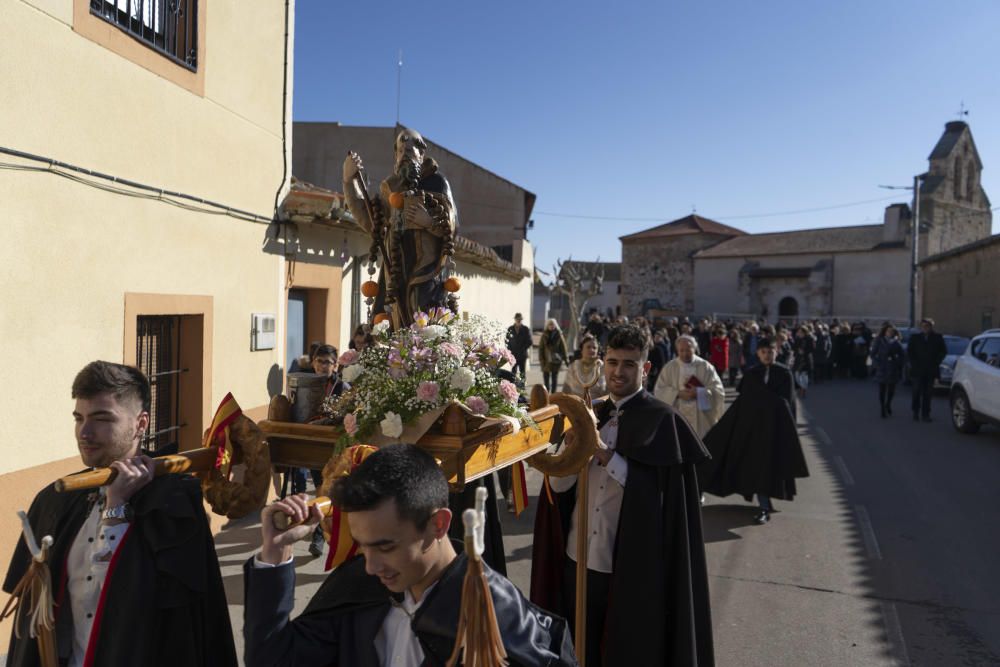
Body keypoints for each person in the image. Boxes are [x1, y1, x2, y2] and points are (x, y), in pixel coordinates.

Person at [243, 444, 577, 667]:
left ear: (438, 525)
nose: (371, 566)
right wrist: (275, 553)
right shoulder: (359, 587)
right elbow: (274, 660)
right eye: (362, 544)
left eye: (386, 546)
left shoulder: (496, 617)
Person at [3, 361, 237, 667]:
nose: (84, 432)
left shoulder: (175, 504)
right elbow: (32, 622)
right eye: (79, 418)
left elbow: (173, 622)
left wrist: (116, 509)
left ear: (140, 424)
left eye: (102, 419)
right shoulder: (56, 499)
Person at [531, 325, 714, 666]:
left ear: (645, 368)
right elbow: (558, 492)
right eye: (612, 361)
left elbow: (660, 498)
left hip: (629, 569)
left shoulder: (664, 422)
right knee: (574, 651)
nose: (618, 371)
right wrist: (569, 453)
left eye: (629, 363)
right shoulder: (587, 413)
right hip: (576, 560)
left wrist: (604, 454)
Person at [700, 337, 809, 525]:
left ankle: (764, 506)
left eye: (771, 352)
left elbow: (786, 403)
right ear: (758, 353)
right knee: (723, 452)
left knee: (766, 468)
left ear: (776, 352)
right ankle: (699, 487)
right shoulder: (752, 374)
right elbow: (746, 401)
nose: (767, 355)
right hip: (751, 429)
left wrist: (787, 426)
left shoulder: (784, 374)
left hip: (774, 429)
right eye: (764, 352)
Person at [653, 334, 726, 439]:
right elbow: (659, 390)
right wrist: (677, 394)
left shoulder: (705, 366)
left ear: (695, 349)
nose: (685, 353)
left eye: (688, 350)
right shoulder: (670, 367)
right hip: (677, 414)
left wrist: (699, 392)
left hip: (701, 418)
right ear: (677, 350)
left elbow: (718, 391)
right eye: (681, 350)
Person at [907, 318, 947, 422]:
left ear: (931, 327)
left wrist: (936, 362)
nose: (925, 328)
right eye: (923, 326)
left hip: (931, 370)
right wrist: (914, 363)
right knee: (916, 391)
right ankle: (915, 411)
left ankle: (926, 414)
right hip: (917, 369)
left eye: (927, 326)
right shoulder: (915, 338)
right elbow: (910, 352)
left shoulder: (937, 337)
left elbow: (943, 351)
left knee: (927, 393)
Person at [870, 324, 904, 418]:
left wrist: (896, 361)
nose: (890, 333)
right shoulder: (879, 341)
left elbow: (902, 355)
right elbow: (873, 354)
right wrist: (877, 363)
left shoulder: (896, 342)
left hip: (893, 369)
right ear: (885, 331)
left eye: (892, 331)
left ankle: (888, 404)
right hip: (882, 368)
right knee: (882, 390)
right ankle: (882, 409)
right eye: (888, 331)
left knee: (891, 390)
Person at [563, 334, 606, 399]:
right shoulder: (573, 366)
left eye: (594, 348)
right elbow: (566, 389)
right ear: (582, 350)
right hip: (576, 405)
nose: (592, 350)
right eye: (588, 347)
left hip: (598, 406)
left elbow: (608, 392)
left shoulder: (602, 367)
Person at [539, 318, 568, 394]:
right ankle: (546, 394)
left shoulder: (559, 334)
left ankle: (553, 395)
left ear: (555, 325)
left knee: (554, 379)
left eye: (553, 325)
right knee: (546, 380)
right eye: (550, 324)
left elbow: (563, 348)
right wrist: (541, 360)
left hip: (556, 361)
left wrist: (566, 359)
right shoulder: (544, 335)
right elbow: (541, 349)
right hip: (546, 361)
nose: (551, 326)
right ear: (547, 325)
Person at [505, 312, 533, 380]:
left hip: (522, 355)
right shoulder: (510, 329)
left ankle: (522, 387)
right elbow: (506, 341)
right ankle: (513, 386)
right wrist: (510, 350)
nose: (518, 320)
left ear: (521, 320)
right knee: (513, 372)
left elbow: (530, 341)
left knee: (522, 372)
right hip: (513, 354)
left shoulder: (525, 329)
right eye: (517, 319)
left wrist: (523, 349)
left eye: (520, 319)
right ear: (515, 319)